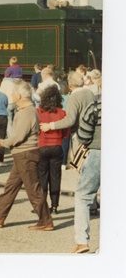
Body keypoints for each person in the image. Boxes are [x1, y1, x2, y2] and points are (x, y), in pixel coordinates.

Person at [0, 81, 53, 230]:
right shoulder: (26, 110)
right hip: (22, 154)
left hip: (25, 154)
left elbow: (19, 136)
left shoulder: (26, 112)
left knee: (33, 189)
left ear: (19, 95)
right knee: (11, 186)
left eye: (13, 93)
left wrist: (3, 142)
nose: (11, 95)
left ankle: (46, 221)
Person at [71, 93, 101, 254]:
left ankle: (82, 241)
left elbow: (83, 134)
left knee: (83, 195)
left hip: (97, 151)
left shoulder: (97, 104)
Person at [36, 86, 68, 214]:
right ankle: (54, 206)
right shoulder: (62, 113)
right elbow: (66, 133)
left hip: (42, 146)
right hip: (57, 146)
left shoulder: (38, 112)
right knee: (55, 177)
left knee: (42, 177)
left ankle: (42, 206)